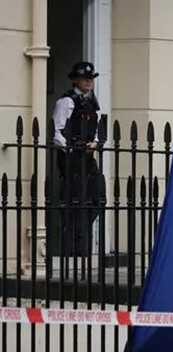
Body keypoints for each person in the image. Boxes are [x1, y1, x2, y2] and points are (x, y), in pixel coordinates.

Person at [51, 61, 102, 257]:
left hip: (88, 158)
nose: (89, 82)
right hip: (72, 160)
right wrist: (71, 149)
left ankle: (82, 244)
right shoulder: (67, 102)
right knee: (73, 203)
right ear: (76, 81)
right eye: (85, 79)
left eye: (91, 79)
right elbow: (57, 132)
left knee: (96, 199)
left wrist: (95, 143)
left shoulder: (92, 102)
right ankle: (71, 251)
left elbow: (98, 129)